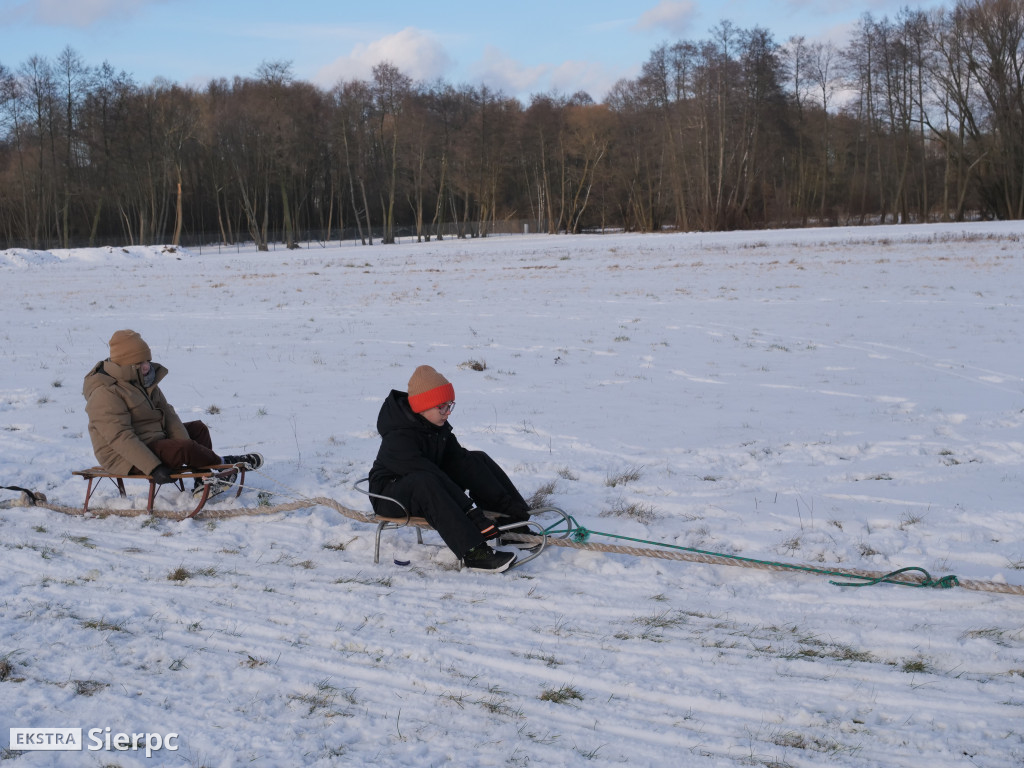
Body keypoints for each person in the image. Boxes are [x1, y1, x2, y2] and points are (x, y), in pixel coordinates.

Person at [369, 365, 532, 573]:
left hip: (425, 483)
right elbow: (433, 477)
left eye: (449, 405)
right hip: (390, 495)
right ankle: (474, 552)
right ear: (422, 406)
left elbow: (459, 462)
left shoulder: (436, 428)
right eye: (441, 407)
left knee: (474, 459)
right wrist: (472, 514)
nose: (447, 412)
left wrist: (512, 511)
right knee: (426, 482)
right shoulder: (399, 438)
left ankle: (513, 523)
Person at [83, 330, 262, 497]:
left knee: (197, 429)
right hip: (124, 456)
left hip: (151, 440)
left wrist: (184, 442)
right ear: (126, 364)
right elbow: (120, 438)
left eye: (147, 360)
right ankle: (222, 464)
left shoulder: (142, 381)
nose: (147, 366)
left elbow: (168, 415)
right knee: (185, 449)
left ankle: (204, 479)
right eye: (140, 363)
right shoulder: (105, 393)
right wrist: (153, 467)